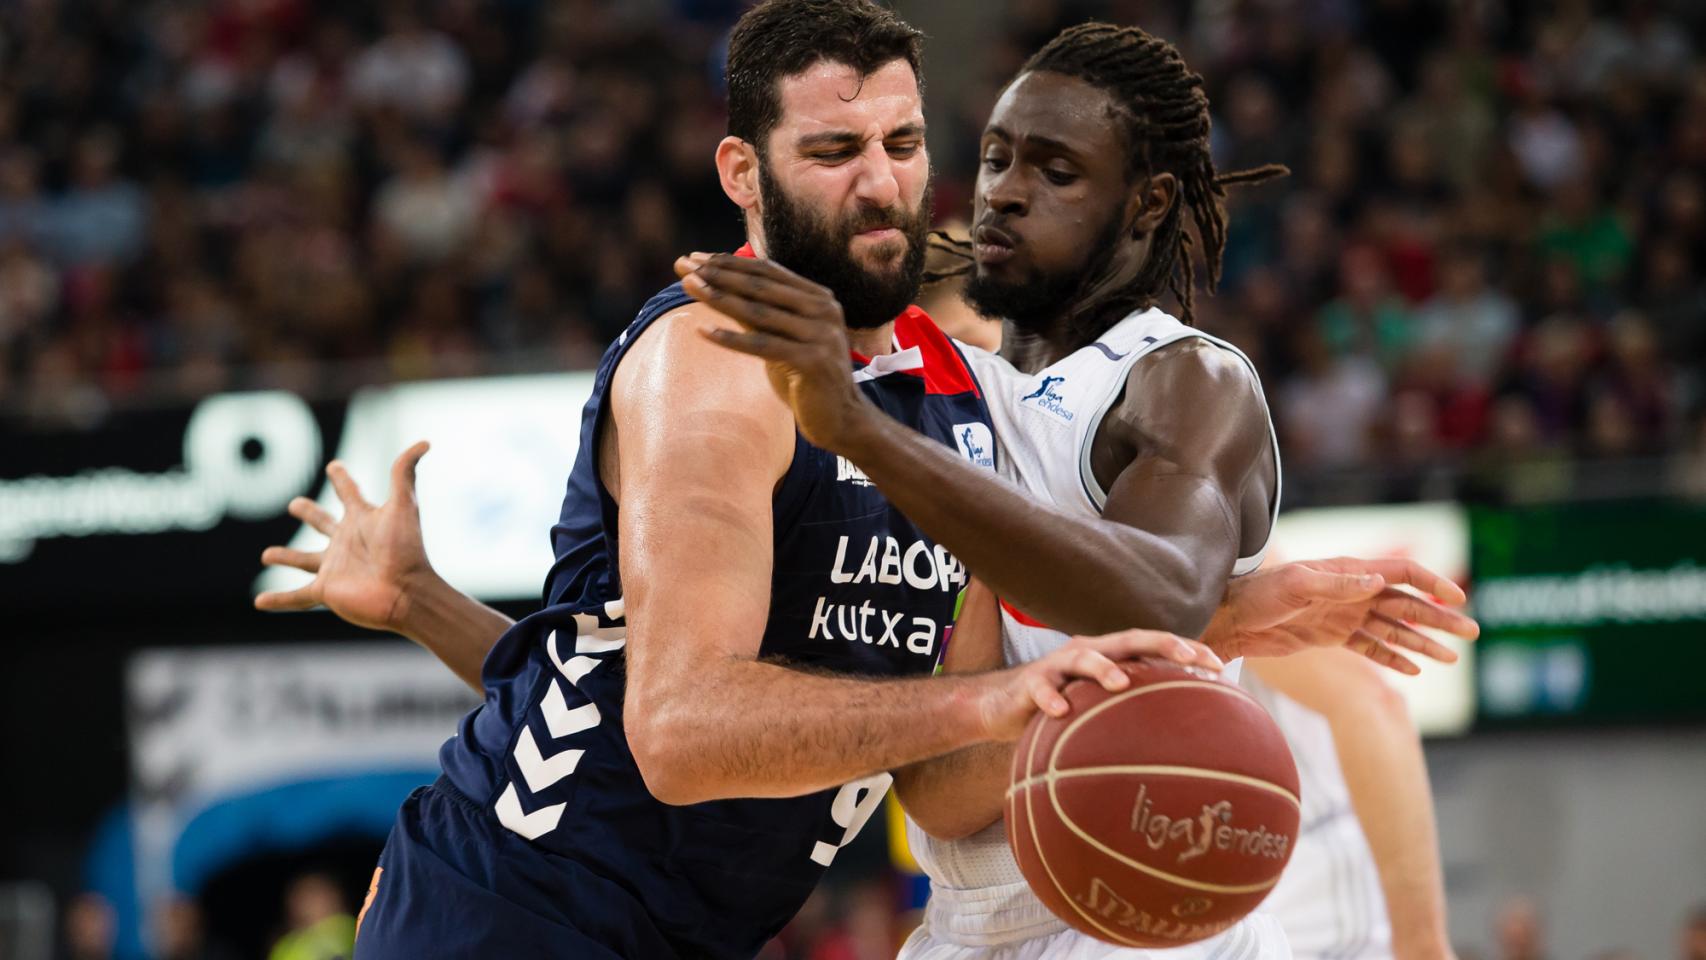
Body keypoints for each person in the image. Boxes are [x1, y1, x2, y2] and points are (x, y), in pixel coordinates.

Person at [260, 4, 1467, 957]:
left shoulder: (951, 402)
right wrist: (996, 701)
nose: (879, 182)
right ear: (742, 170)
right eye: (832, 151)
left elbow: (934, 788)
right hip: (506, 918)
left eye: (900, 146)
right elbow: (675, 731)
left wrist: (1214, 619)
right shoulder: (716, 364)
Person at [678, 21, 1471, 960]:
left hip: (1149, 908)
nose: (1007, 193)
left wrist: (855, 428)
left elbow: (1161, 596)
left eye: (1056, 172)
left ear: (1146, 205)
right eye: (999, 160)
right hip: (970, 921)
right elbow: (941, 791)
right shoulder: (953, 408)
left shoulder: (1183, 381)